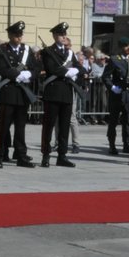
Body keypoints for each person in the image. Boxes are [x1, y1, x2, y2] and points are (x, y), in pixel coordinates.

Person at [0, 21, 38, 168]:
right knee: (3, 126)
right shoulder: (3, 50)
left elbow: (36, 68)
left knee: (21, 127)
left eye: (20, 35)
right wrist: (16, 75)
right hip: (9, 92)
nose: (19, 37)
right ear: (10, 35)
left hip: (22, 93)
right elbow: (1, 68)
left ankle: (21, 155)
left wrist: (28, 73)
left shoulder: (27, 50)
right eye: (16, 35)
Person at [38, 23, 78, 167]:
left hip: (67, 92)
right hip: (53, 93)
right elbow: (51, 68)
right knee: (48, 125)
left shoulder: (70, 53)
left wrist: (77, 72)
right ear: (55, 36)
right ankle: (46, 154)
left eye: (65, 34)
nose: (64, 37)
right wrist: (67, 72)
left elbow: (79, 68)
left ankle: (62, 155)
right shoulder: (47, 52)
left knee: (64, 126)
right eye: (61, 34)